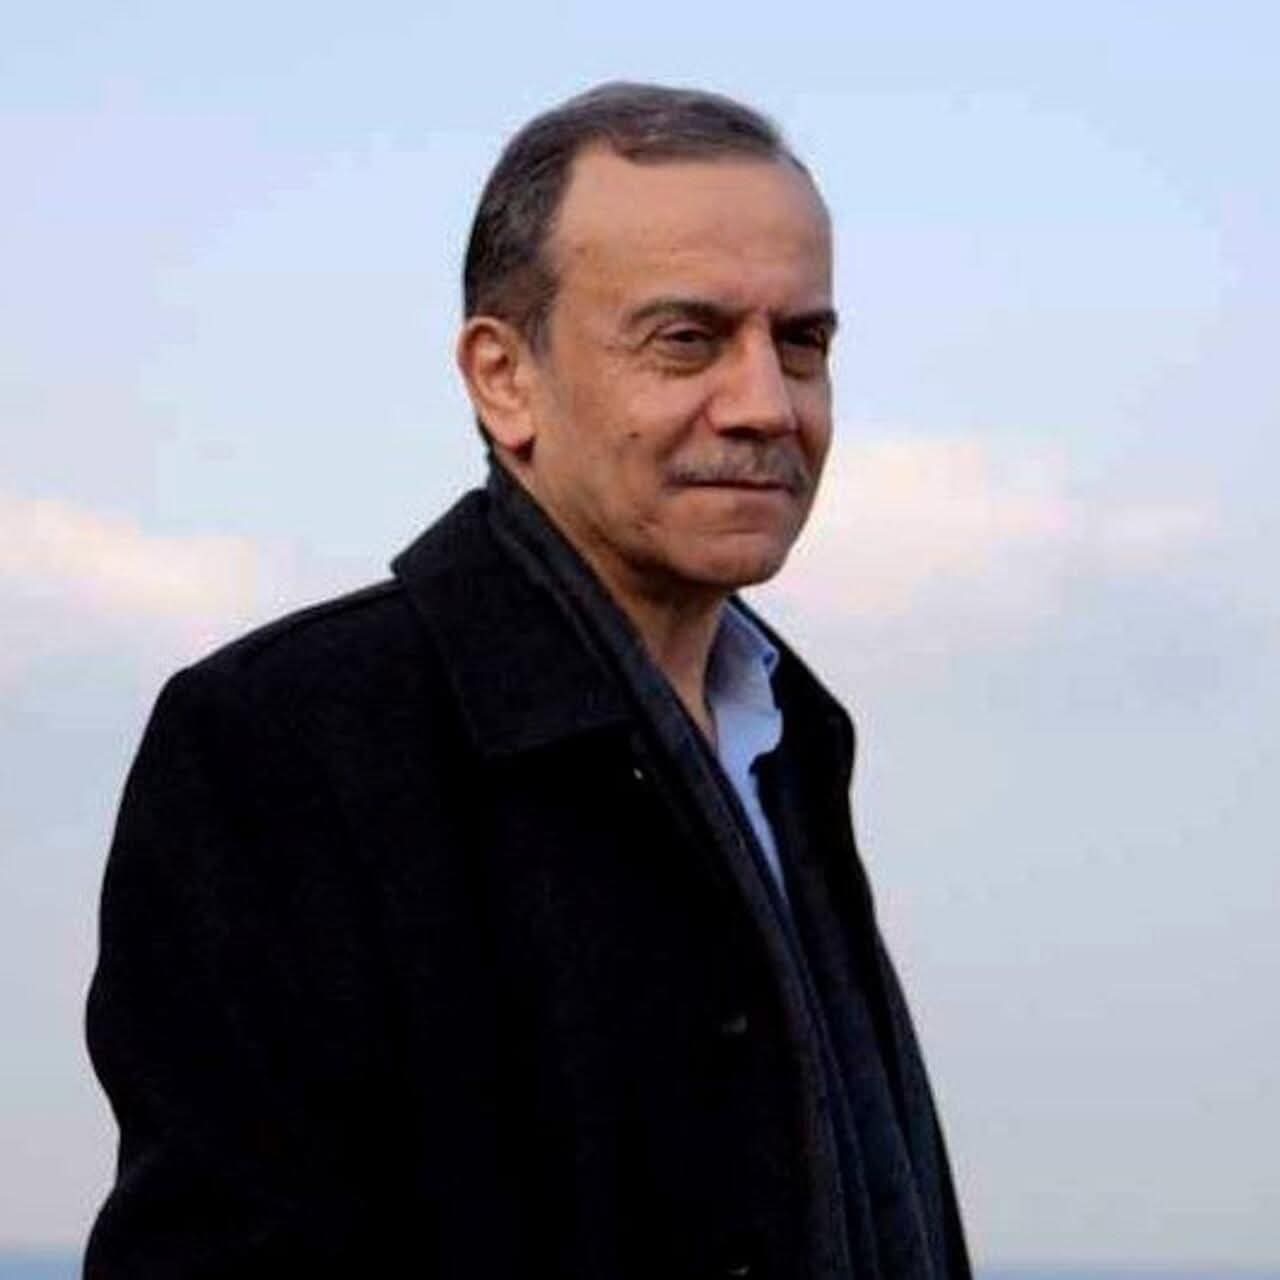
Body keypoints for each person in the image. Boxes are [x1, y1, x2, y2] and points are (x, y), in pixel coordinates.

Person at [86, 82, 971, 1279]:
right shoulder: (286, 739)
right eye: (687, 339)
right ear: (503, 377)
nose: (766, 405)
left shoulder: (788, 735)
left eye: (800, 343)